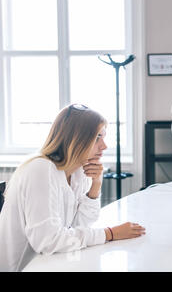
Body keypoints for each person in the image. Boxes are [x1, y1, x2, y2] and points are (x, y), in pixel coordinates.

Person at [0, 104, 146, 272]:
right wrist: (109, 234)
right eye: (97, 137)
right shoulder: (41, 169)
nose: (104, 146)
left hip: (49, 263)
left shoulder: (78, 172)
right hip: (19, 267)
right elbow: (48, 241)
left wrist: (95, 186)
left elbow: (77, 226)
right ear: (76, 139)